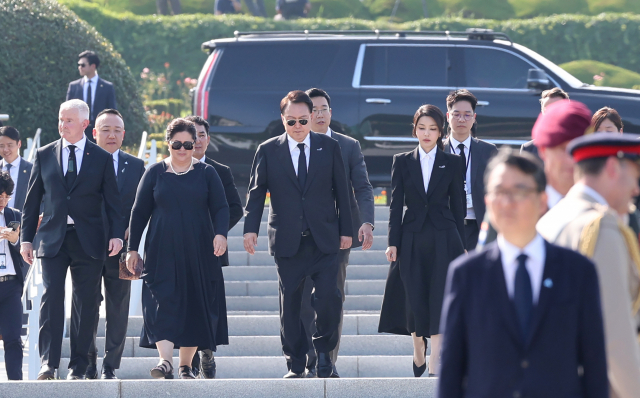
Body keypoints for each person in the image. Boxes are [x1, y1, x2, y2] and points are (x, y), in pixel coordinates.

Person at [439, 149, 608, 398]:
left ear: (542, 201)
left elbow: (595, 367)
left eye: (519, 191)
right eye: (499, 192)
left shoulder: (578, 271)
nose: (507, 202)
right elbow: (451, 369)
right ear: (487, 201)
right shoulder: (466, 274)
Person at [243, 91, 352, 378]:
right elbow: (256, 194)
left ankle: (325, 354)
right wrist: (250, 229)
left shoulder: (329, 147)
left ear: (311, 118)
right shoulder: (268, 150)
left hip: (324, 239)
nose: (298, 126)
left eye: (303, 120)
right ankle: (295, 363)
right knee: (290, 305)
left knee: (329, 298)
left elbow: (343, 191)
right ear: (282, 120)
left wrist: (347, 231)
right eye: (291, 121)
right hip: (288, 241)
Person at [20, 99, 125, 380]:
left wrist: (117, 234)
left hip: (89, 240)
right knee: (50, 298)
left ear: (84, 124)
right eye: (60, 119)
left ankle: (78, 367)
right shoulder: (43, 155)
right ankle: (48, 364)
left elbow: (113, 201)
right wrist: (26, 240)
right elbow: (31, 204)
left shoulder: (101, 157)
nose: (62, 125)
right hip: (52, 239)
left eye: (68, 120)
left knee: (86, 301)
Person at [537, 133, 640, 398]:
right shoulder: (600, 227)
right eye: (635, 174)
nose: (636, 189)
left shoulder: (552, 218)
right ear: (613, 168)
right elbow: (615, 336)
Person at [126, 118, 230, 380]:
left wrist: (220, 234)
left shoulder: (207, 173)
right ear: (168, 143)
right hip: (161, 250)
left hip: (198, 250)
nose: (182, 149)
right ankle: (165, 361)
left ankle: (185, 366)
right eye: (177, 144)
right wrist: (132, 249)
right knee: (159, 303)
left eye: (188, 144)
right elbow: (139, 213)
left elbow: (221, 207)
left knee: (194, 304)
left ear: (195, 144)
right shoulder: (154, 172)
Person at [378, 104, 466, 377]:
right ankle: (418, 347)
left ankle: (437, 359)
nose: (426, 133)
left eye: (433, 129)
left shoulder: (452, 162)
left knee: (439, 294)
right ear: (414, 129)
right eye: (422, 128)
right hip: (412, 236)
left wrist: (461, 242)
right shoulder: (402, 161)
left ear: (441, 132)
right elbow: (395, 205)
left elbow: (459, 205)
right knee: (413, 293)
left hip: (444, 236)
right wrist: (392, 241)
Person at [300, 88, 375, 378]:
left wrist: (366, 222)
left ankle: (326, 359)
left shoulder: (348, 145)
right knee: (302, 299)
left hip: (338, 235)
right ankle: (306, 356)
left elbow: (364, 188)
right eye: (313, 110)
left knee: (331, 298)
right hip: (301, 235)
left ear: (331, 112)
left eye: (323, 109)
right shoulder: (292, 145)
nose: (318, 114)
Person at [477, 100, 591, 249]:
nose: (572, 159)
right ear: (543, 151)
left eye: (579, 149)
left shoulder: (604, 203)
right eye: (563, 149)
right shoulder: (515, 201)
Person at [85, 109, 146, 380]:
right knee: (85, 305)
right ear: (94, 132)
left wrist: (133, 234)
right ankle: (86, 362)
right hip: (85, 247)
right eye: (105, 129)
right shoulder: (83, 161)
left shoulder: (135, 166)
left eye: (117, 130)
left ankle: (110, 365)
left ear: (124, 134)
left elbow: (142, 205)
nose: (111, 134)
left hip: (123, 250)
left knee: (119, 306)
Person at [186, 114, 243, 379]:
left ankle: (207, 353)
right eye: (191, 134)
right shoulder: (170, 168)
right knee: (186, 303)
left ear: (208, 140)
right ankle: (189, 360)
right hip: (180, 249)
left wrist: (216, 233)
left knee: (209, 304)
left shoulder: (221, 171)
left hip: (211, 250)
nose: (196, 140)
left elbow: (235, 209)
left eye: (201, 135)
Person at [442, 89, 497, 251]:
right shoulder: (437, 150)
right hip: (446, 226)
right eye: (456, 114)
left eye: (467, 115)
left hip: (478, 224)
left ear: (474, 118)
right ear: (448, 116)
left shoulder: (488, 151)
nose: (461, 119)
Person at [0, 172, 27, 380]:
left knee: (13, 338)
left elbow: (26, 250)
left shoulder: (15, 215)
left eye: (6, 195)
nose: (3, 200)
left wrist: (16, 240)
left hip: (11, 285)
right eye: (0, 195)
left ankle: (16, 386)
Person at [66, 51, 117, 139]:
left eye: (83, 65)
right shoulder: (74, 86)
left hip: (100, 132)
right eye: (79, 65)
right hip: (79, 131)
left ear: (93, 66)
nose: (79, 67)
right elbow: (67, 112)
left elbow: (112, 111)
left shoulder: (107, 87)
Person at [520, 87, 570, 158]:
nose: (551, 113)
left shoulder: (577, 148)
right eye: (547, 110)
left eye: (557, 109)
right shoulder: (529, 149)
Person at [0, 127, 33, 211]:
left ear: (19, 144)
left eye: (10, 145)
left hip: (23, 222)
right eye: (1, 146)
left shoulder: (32, 170)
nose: (6, 150)